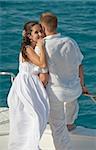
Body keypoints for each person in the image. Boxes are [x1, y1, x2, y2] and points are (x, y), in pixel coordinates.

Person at [39, 12, 88, 150]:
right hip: (74, 90)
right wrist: (82, 85)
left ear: (42, 27)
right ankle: (70, 123)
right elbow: (80, 65)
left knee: (58, 128)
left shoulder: (43, 46)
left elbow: (42, 72)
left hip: (56, 93)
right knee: (70, 108)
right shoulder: (70, 41)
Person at [7, 21, 50, 150]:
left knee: (40, 115)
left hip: (33, 84)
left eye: (41, 31)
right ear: (29, 35)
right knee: (33, 116)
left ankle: (31, 145)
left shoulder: (34, 47)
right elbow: (42, 64)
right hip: (25, 85)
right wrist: (42, 46)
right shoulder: (28, 49)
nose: (40, 34)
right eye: (36, 32)